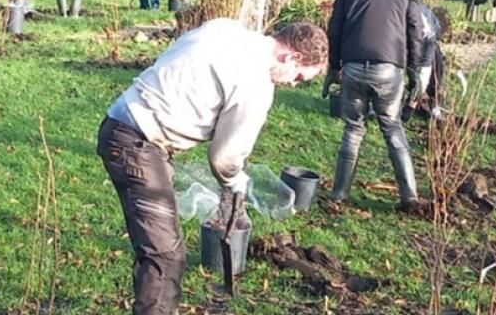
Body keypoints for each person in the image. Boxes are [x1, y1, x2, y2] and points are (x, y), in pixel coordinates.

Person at [97, 19, 328, 314]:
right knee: (165, 255)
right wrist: (235, 180)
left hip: (124, 123)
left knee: (156, 245)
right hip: (138, 143)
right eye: (298, 78)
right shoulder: (256, 83)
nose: (292, 84)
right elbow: (225, 158)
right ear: (291, 56)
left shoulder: (228, 29)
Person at [325, 0, 427, 210]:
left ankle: (339, 194)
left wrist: (333, 66)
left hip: (353, 67)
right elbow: (416, 31)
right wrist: (414, 71)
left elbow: (334, 28)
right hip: (389, 70)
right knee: (392, 127)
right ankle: (409, 197)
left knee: (353, 129)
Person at [401, 4, 449, 121]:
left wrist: (411, 104)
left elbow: (423, 70)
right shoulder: (401, 18)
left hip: (428, 38)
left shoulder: (425, 26)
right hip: (407, 38)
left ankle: (434, 106)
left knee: (434, 71)